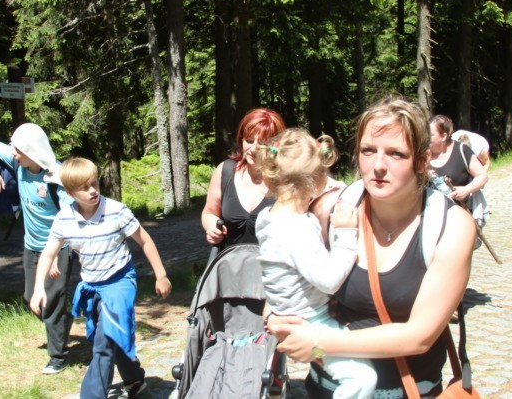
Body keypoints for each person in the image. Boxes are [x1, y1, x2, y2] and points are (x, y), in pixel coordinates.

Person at [268, 95, 477, 397]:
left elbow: (419, 336)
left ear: (421, 161)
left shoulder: (450, 226)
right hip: (329, 388)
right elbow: (280, 275)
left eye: (396, 154)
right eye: (368, 150)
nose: (378, 165)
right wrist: (273, 316)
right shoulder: (331, 210)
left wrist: (320, 342)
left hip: (408, 392)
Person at [30, 157, 172, 399]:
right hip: (92, 286)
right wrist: (38, 289)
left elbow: (145, 241)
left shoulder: (116, 210)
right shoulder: (64, 219)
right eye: (84, 188)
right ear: (70, 193)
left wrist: (161, 275)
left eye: (94, 183)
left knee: (104, 341)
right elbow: (48, 254)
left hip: (120, 282)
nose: (93, 190)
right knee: (112, 337)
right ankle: (135, 382)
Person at [255, 129, 377, 399]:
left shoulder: (269, 217)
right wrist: (346, 233)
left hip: (292, 321)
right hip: (312, 327)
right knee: (362, 378)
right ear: (316, 181)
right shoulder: (294, 229)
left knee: (330, 358)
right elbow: (329, 280)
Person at [0, 123, 75, 375]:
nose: (13, 152)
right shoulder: (18, 163)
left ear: (32, 151)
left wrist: (57, 253)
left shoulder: (57, 177)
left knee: (51, 299)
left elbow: (70, 218)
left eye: (18, 149)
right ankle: (61, 323)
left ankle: (58, 357)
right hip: (31, 246)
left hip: (58, 248)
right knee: (30, 297)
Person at [201, 108, 286, 248]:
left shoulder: (286, 179)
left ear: (277, 145)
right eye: (249, 141)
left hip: (272, 261)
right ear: (241, 140)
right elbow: (209, 213)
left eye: (263, 143)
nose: (254, 149)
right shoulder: (225, 171)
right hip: (231, 259)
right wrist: (212, 228)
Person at [428, 115, 488, 205]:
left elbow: (482, 176)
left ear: (443, 136)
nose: (426, 137)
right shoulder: (422, 154)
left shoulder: (462, 150)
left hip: (463, 210)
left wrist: (466, 190)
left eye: (430, 135)